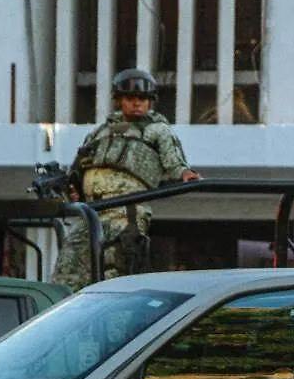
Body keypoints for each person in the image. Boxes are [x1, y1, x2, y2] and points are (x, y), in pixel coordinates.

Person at [51, 68, 201, 291]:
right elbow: (79, 165)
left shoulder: (157, 130)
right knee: (68, 267)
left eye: (143, 99)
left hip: (125, 211)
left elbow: (175, 162)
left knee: (114, 269)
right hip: (93, 211)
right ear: (119, 100)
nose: (137, 103)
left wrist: (185, 175)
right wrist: (72, 188)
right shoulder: (100, 132)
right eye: (130, 98)